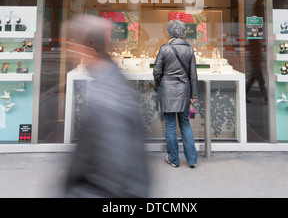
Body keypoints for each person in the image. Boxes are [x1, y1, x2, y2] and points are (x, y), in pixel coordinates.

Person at [64, 14, 149, 198]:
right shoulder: (111, 83)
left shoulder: (108, 99)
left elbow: (113, 177)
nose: (70, 49)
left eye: (73, 43)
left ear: (88, 49)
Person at [153, 20, 199, 168]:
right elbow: (193, 75)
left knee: (170, 125)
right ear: (183, 32)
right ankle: (192, 160)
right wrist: (194, 94)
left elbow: (156, 71)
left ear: (170, 32)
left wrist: (160, 85)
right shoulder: (190, 50)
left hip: (167, 90)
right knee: (185, 124)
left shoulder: (164, 49)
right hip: (184, 91)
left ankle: (173, 158)